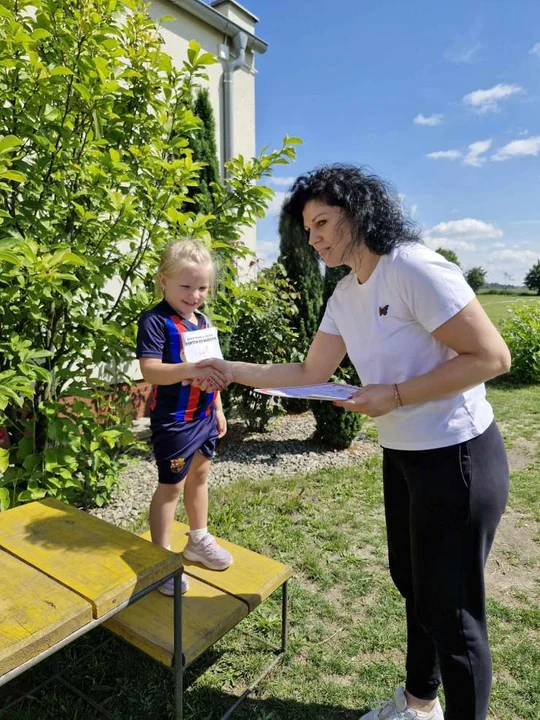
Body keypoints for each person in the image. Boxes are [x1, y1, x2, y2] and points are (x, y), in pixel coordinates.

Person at [196, 165, 511, 719]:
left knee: (453, 615)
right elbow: (310, 370)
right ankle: (419, 705)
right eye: (307, 229)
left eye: (322, 222)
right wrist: (231, 369)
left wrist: (395, 393)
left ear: (359, 212)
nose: (313, 238)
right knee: (414, 585)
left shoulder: (412, 267)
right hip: (405, 455)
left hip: (457, 456)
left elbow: (491, 357)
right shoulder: (345, 291)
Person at [136, 239, 233, 596]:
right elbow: (151, 372)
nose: (195, 295)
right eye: (186, 286)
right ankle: (160, 560)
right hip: (175, 420)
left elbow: (215, 368)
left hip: (204, 415)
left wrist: (219, 407)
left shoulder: (203, 320)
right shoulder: (155, 321)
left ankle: (198, 540)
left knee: (201, 475)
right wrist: (189, 368)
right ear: (163, 281)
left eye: (203, 288)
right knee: (171, 486)